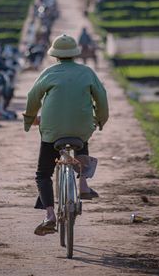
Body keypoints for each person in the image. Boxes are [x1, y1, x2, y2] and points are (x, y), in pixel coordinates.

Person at [23, 34, 109, 236]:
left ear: (55, 55)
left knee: (43, 174)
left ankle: (50, 215)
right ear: (75, 54)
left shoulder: (49, 73)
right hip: (81, 129)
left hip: (52, 131)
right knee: (82, 138)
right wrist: (100, 120)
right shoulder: (87, 72)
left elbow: (32, 97)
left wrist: (29, 120)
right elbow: (102, 98)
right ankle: (83, 183)